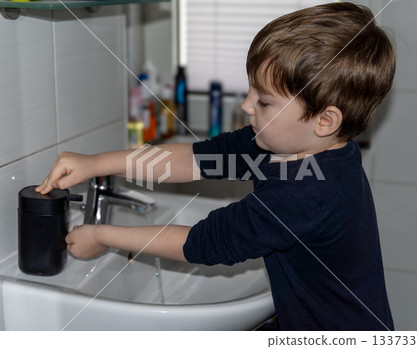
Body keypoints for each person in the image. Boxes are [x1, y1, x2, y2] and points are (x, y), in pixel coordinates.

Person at [36, 2, 395, 330]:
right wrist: (96, 164)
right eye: (252, 90)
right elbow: (193, 160)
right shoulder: (289, 146)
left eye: (265, 101)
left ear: (324, 120)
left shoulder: (308, 192)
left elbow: (203, 244)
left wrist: (102, 236)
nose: (247, 105)